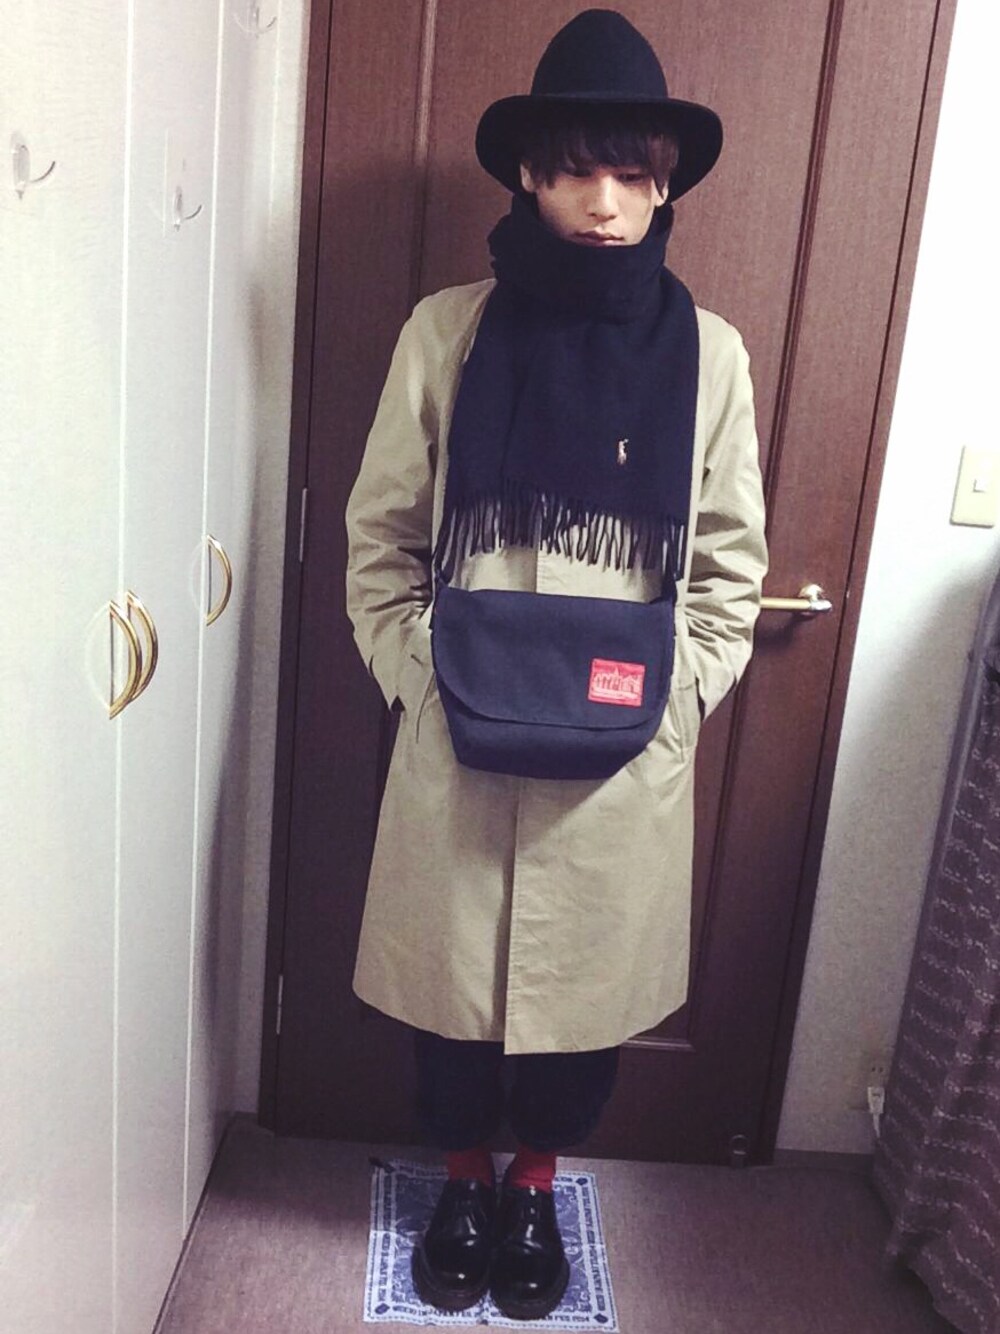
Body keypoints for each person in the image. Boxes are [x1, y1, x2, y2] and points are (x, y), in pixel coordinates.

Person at [344, 7, 768, 1321]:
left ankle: (533, 1185)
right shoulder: (447, 333)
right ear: (529, 173)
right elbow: (381, 538)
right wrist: (422, 677)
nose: (605, 202)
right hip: (461, 734)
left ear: (665, 184)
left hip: (620, 751)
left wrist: (677, 701)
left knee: (580, 1009)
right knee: (449, 998)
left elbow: (731, 568)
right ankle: (462, 1181)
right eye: (579, 169)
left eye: (634, 172)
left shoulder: (710, 357)